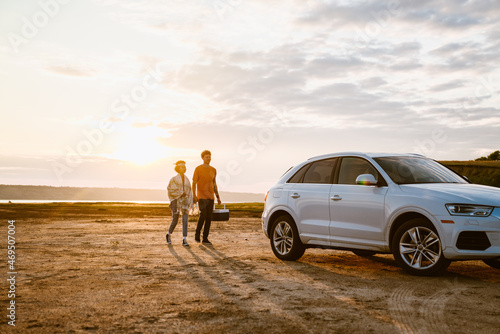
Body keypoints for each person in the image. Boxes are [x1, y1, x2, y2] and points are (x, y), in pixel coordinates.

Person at [192, 150, 221, 244]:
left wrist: (218, 196)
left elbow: (214, 183)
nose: (208, 158)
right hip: (201, 196)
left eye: (209, 157)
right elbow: (194, 183)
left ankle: (205, 238)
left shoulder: (213, 170)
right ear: (203, 158)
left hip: (211, 196)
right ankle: (197, 233)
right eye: (207, 157)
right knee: (203, 215)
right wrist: (194, 195)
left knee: (209, 217)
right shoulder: (198, 169)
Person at [166, 160, 193, 246]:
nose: (184, 168)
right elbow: (170, 190)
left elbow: (189, 191)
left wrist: (190, 200)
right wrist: (180, 193)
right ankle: (169, 234)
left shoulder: (187, 180)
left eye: (185, 167)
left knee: (185, 219)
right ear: (178, 168)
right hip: (176, 201)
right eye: (182, 167)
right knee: (175, 219)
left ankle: (184, 239)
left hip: (185, 201)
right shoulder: (173, 179)